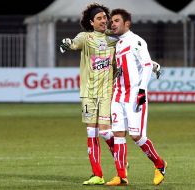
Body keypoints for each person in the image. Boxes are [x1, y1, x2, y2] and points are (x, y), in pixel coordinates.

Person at [105, 9, 167, 186]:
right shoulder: (117, 43)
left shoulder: (136, 41)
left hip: (134, 95)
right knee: (117, 134)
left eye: (117, 21)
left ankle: (160, 164)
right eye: (112, 21)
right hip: (118, 94)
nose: (113, 24)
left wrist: (141, 90)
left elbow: (147, 66)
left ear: (127, 24)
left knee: (136, 135)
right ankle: (121, 176)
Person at [59, 3, 117, 185]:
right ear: (91, 22)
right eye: (99, 18)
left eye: (104, 17)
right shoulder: (85, 37)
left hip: (106, 92)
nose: (103, 20)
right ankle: (97, 175)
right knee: (92, 132)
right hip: (87, 93)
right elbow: (74, 44)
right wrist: (67, 43)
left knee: (105, 131)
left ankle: (121, 160)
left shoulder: (114, 40)